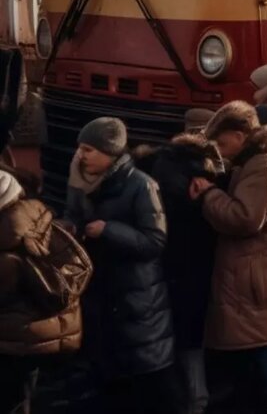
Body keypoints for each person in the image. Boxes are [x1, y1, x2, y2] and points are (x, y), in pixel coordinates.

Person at [65, 118, 176, 413]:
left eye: (88, 149)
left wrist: (109, 230)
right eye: (79, 148)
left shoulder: (142, 185)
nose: (81, 155)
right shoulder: (78, 180)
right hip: (100, 293)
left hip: (138, 296)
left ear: (109, 152)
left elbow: (155, 240)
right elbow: (73, 216)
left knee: (144, 379)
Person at [197, 102, 267, 414]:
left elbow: (245, 218)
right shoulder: (265, 158)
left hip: (259, 272)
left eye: (223, 143)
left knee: (263, 341)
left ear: (241, 136)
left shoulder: (264, 164)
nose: (220, 151)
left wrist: (208, 194)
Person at [134, 134, 222, 414]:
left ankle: (188, 399)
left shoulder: (157, 170)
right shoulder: (209, 176)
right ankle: (198, 398)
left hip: (172, 264)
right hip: (200, 262)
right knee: (193, 335)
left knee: (176, 335)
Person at [0, 167, 90, 414]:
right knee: (23, 395)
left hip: (15, 340)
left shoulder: (7, 249)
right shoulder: (36, 219)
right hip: (40, 336)